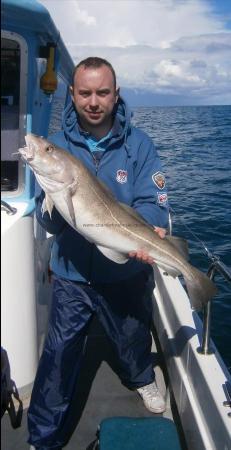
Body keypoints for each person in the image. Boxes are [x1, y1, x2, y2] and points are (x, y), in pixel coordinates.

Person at [28, 57, 169, 450]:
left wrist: (152, 227)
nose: (93, 101)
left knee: (133, 335)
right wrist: (50, 201)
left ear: (116, 94)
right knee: (57, 357)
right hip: (71, 274)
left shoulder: (139, 144)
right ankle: (42, 438)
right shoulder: (58, 146)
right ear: (72, 94)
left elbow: (154, 201)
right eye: (85, 92)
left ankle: (142, 378)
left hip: (125, 271)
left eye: (102, 92)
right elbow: (52, 222)